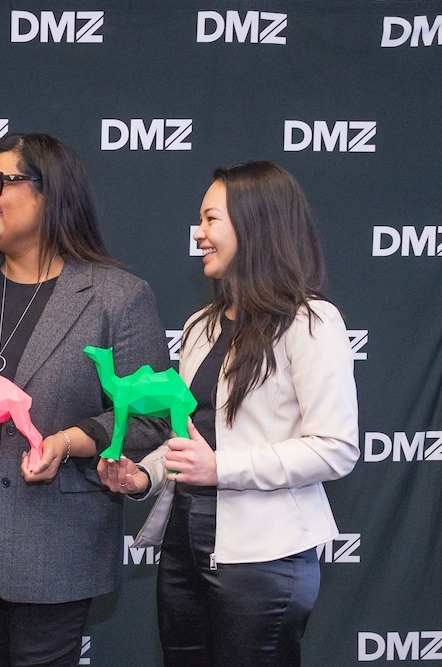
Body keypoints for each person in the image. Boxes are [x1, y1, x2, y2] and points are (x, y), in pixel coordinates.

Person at [0, 132, 170, 666]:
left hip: (56, 540)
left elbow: (152, 417)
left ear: (49, 192)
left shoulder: (116, 296)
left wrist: (71, 441)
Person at [98, 161, 359, 666]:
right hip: (183, 550)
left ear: (255, 224)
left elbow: (335, 447)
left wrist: (222, 468)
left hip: (265, 563)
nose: (198, 234)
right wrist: (143, 477)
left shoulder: (312, 322)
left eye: (211, 220)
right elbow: (191, 435)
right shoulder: (201, 325)